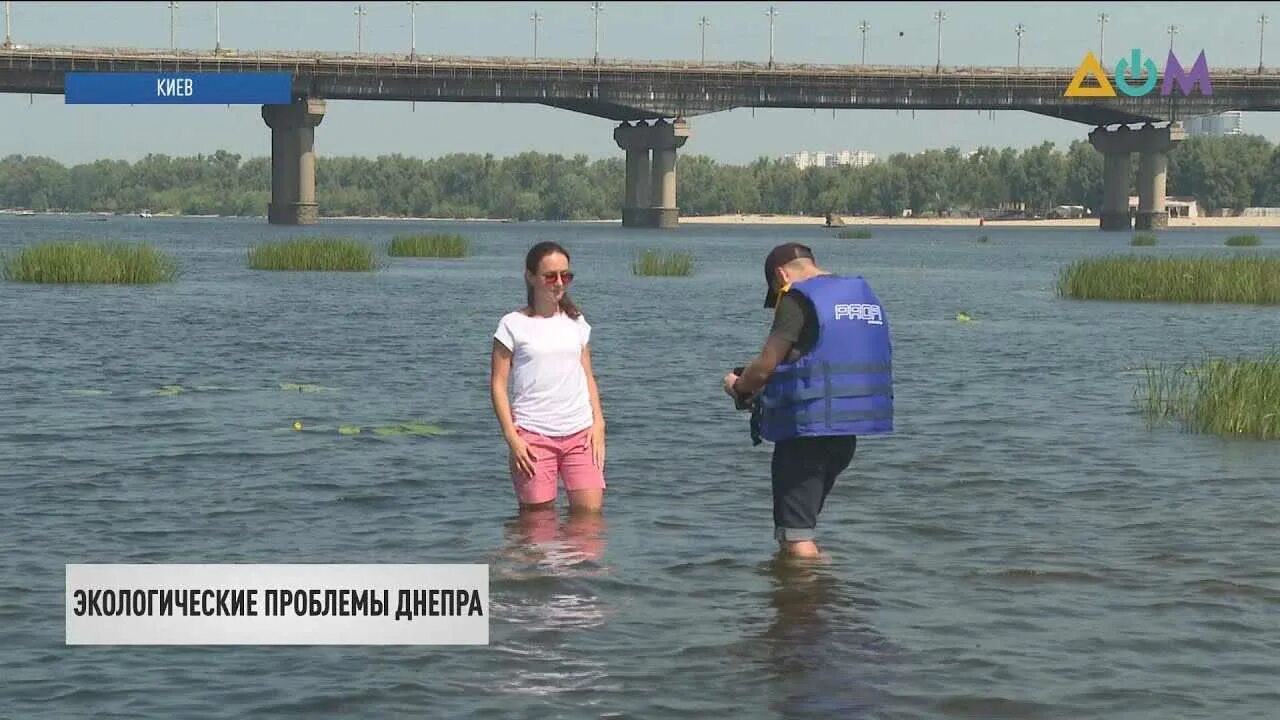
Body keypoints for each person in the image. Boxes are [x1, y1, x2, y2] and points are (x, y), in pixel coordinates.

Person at [724, 243, 893, 559]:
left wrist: (737, 384)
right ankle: (825, 600)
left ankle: (807, 602)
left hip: (807, 433)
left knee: (795, 539)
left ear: (781, 274)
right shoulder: (860, 294)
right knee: (802, 529)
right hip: (846, 433)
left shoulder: (797, 298)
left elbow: (765, 365)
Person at [491, 241, 606, 515]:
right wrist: (512, 438)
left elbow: (587, 375)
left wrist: (599, 423)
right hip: (533, 439)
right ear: (531, 277)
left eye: (565, 276)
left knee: (589, 524)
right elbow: (498, 384)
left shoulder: (576, 322)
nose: (558, 283)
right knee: (536, 529)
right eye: (550, 276)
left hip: (581, 435)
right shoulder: (511, 325)